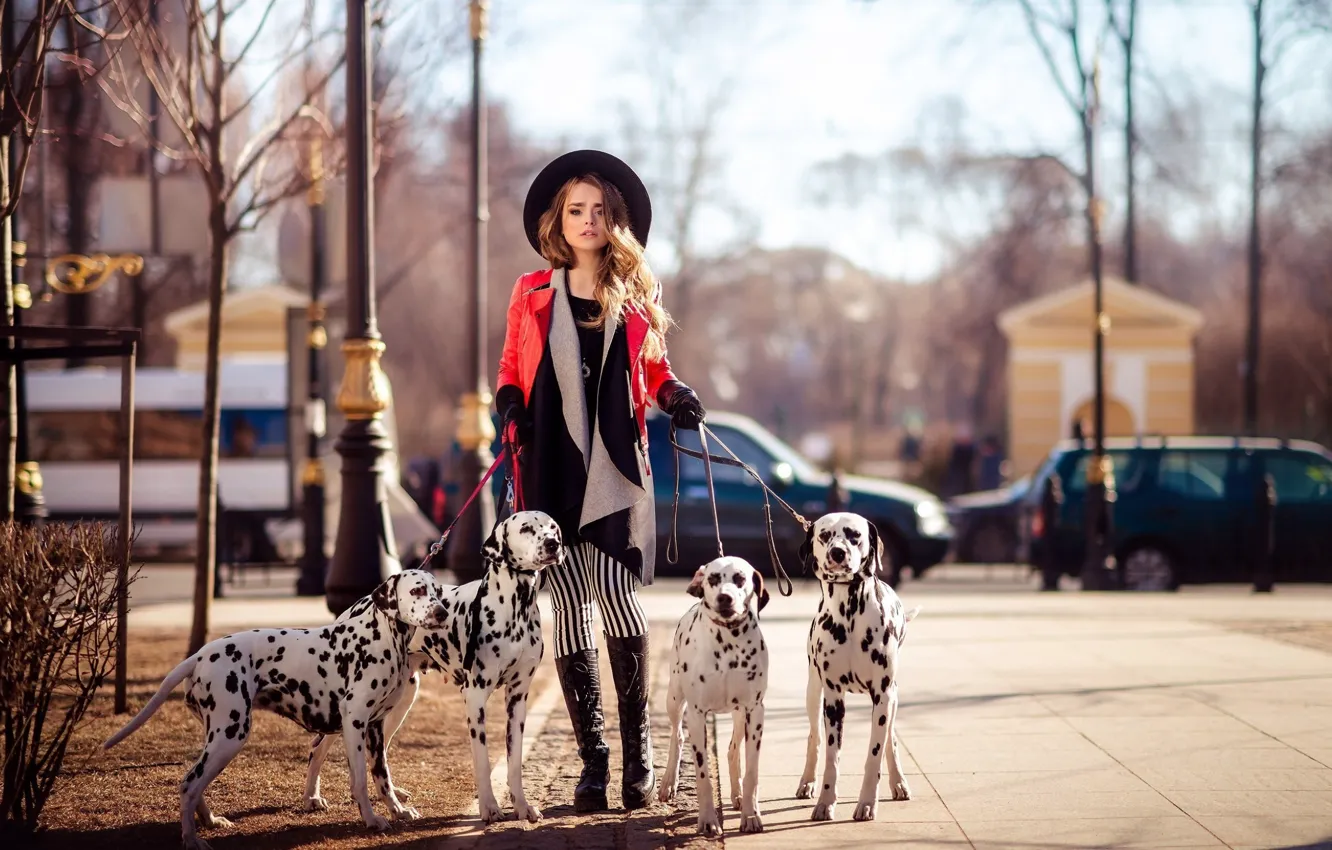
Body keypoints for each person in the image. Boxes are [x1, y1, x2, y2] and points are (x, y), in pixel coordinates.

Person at [493, 150, 705, 812]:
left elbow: (656, 368)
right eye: (576, 210)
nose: (587, 221)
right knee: (570, 609)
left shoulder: (638, 292)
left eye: (599, 211)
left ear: (616, 219)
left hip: (614, 467)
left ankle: (637, 760)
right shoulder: (530, 291)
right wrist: (507, 405)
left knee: (618, 597)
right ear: (560, 219)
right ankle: (594, 763)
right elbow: (509, 366)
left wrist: (677, 396)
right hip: (550, 463)